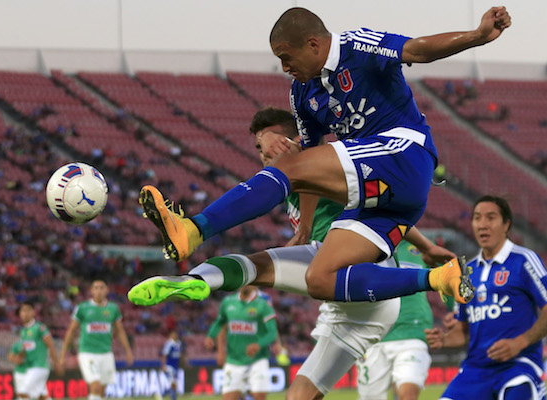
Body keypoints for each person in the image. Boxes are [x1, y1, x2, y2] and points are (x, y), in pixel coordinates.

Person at [130, 6, 512, 307]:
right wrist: (306, 225)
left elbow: (416, 50)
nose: (284, 67)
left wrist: (477, 36)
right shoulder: (301, 94)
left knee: (288, 163)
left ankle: (195, 228)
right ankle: (439, 278)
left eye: (287, 56)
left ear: (313, 45)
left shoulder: (357, 45)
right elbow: (311, 161)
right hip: (387, 200)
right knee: (319, 278)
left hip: (404, 153)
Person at [131, 108, 454, 400]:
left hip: (359, 268)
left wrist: (306, 207)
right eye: (258, 148)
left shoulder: (322, 164)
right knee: (299, 395)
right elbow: (380, 210)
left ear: (293, 140)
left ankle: (199, 265)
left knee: (257, 267)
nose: (263, 153)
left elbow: (313, 167)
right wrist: (427, 247)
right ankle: (194, 280)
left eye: (268, 143)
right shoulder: (292, 182)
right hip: (349, 309)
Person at [425, 196, 547, 399]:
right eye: (477, 218)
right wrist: (444, 339)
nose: (482, 224)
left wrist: (520, 342)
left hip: (518, 366)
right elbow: (463, 331)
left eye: (490, 218)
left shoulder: (523, 260)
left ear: (506, 224)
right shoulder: (466, 273)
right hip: (475, 370)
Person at [356, 241, 434, 400]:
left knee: (408, 396)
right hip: (373, 336)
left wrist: (456, 311)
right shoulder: (363, 243)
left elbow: (448, 275)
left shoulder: (423, 246)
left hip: (412, 332)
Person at [59, 279, 134, 400]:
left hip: (106, 353)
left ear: (107, 290)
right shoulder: (82, 308)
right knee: (95, 386)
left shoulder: (113, 308)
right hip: (87, 353)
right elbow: (71, 331)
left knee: (102, 391)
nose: (99, 291)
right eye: (96, 288)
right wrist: (63, 354)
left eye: (102, 288)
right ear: (91, 291)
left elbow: (120, 331)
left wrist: (128, 351)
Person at [205, 285, 278, 400]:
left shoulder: (263, 304)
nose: (245, 284)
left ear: (254, 283)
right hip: (234, 360)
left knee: (259, 397)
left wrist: (259, 345)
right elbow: (220, 323)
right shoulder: (228, 302)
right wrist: (210, 336)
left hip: (257, 360)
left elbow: (272, 333)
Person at [11, 301, 59, 400]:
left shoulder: (39, 328)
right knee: (42, 396)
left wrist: (56, 363)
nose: (26, 313)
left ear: (33, 312)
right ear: (20, 314)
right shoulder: (23, 331)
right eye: (23, 311)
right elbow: (26, 349)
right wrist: (19, 356)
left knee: (23, 392)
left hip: (39, 366)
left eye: (28, 310)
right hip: (30, 367)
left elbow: (51, 345)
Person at [160, 330, 184, 400]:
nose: (175, 336)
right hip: (169, 366)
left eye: (175, 334)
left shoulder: (179, 343)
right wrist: (163, 365)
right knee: (173, 382)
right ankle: (173, 397)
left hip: (175, 366)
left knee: (174, 383)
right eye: (173, 335)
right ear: (170, 335)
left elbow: (180, 354)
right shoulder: (169, 343)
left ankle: (163, 394)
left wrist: (184, 362)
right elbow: (164, 354)